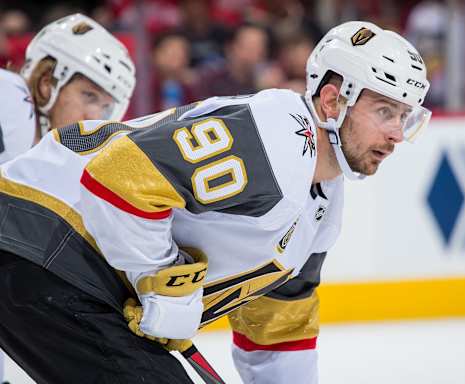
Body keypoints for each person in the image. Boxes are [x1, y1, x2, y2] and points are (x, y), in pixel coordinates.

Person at [0, 21, 430, 384]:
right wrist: (164, 282)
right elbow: (118, 174)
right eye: (384, 111)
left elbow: (280, 329)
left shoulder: (321, 205)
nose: (396, 133)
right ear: (334, 100)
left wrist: (167, 292)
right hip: (39, 243)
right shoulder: (276, 134)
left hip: (61, 270)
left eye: (404, 116)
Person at [0, 13, 135, 383]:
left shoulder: (43, 161)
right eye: (88, 96)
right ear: (47, 83)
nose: (95, 115)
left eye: (106, 106)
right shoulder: (10, 98)